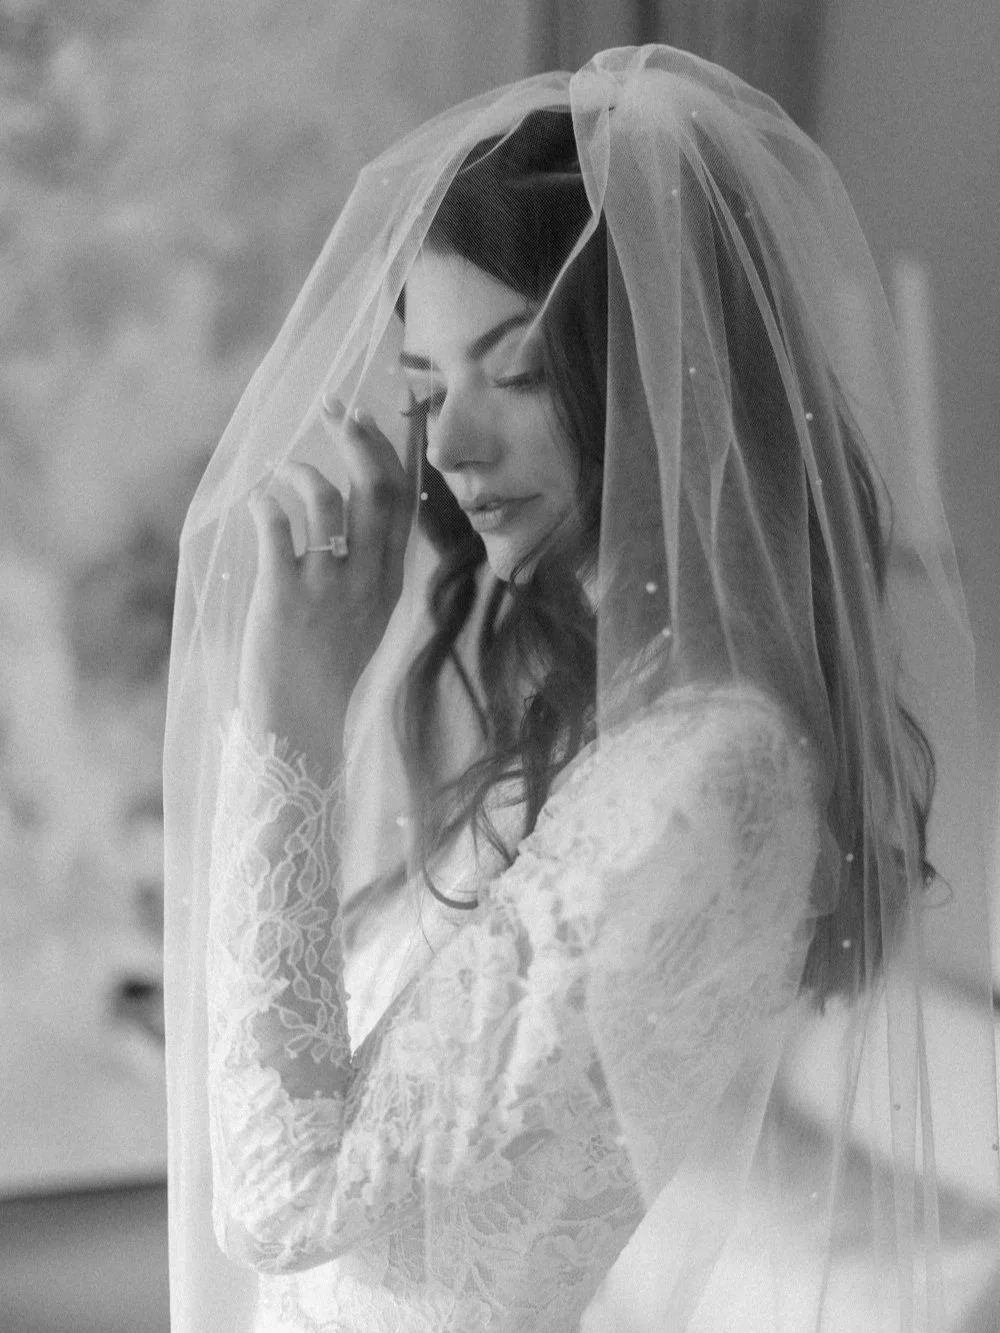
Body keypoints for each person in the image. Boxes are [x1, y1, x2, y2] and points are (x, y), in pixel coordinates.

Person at [163, 45, 999, 1332]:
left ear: (663, 378)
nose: (449, 444)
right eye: (430, 387)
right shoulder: (601, 740)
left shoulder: (703, 775)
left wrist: (287, 715)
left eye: (518, 368)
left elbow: (280, 1198)